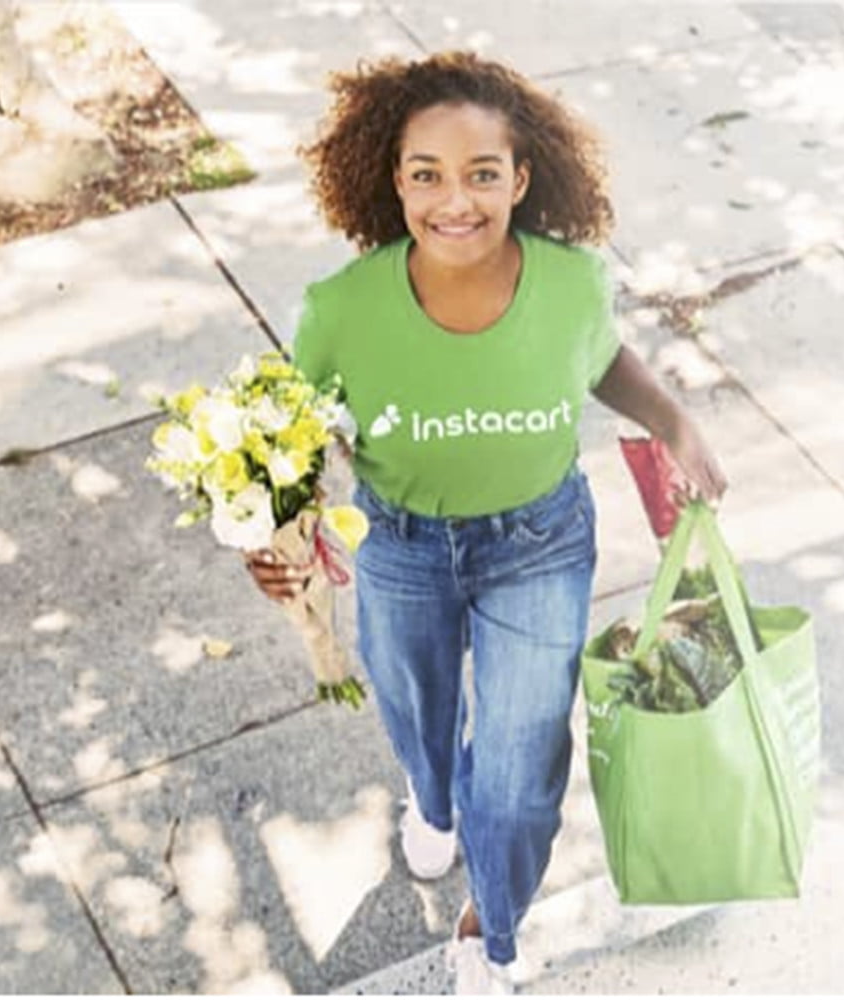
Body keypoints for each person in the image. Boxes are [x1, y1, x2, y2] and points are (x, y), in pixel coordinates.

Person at [245, 51, 726, 994]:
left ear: (522, 178)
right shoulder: (339, 310)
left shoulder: (574, 282)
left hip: (538, 547)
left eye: (481, 174)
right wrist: (278, 540)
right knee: (421, 721)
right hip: (402, 551)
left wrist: (675, 421)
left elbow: (601, 362)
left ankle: (490, 931)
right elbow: (288, 446)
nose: (453, 200)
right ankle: (430, 802)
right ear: (393, 180)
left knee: (516, 773)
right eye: (425, 174)